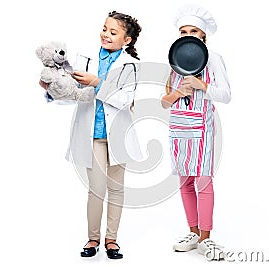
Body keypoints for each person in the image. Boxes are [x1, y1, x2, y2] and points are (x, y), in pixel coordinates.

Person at [40, 11, 143, 260]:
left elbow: (124, 99)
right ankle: (93, 238)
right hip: (92, 134)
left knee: (116, 189)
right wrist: (53, 91)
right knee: (96, 189)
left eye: (113, 32)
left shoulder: (132, 65)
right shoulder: (85, 56)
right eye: (104, 28)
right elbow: (74, 94)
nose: (105, 34)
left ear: (126, 40)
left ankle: (111, 240)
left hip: (117, 134)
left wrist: (97, 82)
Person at [161, 4, 231, 261]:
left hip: (202, 130)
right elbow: (164, 101)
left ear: (203, 35)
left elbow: (226, 95)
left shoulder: (213, 59)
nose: (188, 34)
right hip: (179, 129)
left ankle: (206, 237)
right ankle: (192, 232)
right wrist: (178, 92)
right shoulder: (175, 61)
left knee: (203, 181)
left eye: (193, 30)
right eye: (183, 31)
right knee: (185, 182)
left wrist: (202, 85)